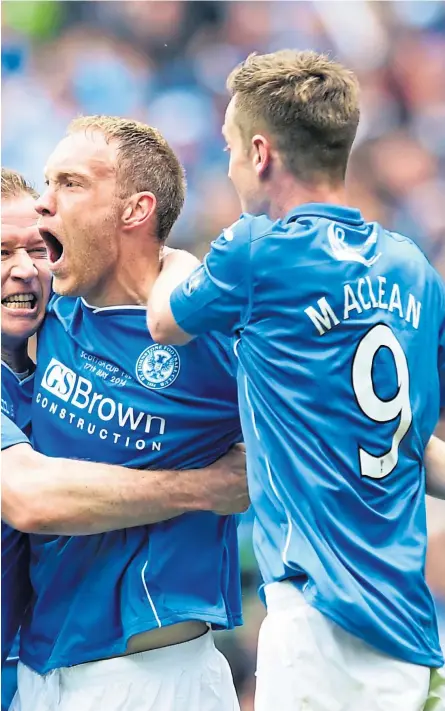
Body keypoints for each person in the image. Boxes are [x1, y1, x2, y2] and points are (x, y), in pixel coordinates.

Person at [147, 49, 445, 710]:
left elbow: (164, 320)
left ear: (260, 153)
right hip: (410, 630)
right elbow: (412, 440)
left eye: (226, 148)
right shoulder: (413, 271)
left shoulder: (257, 248)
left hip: (316, 619)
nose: (224, 166)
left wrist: (168, 259)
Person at [11, 116, 246, 711]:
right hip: (40, 672)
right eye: (46, 182)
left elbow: (354, 425)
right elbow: (33, 499)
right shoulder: (53, 319)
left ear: (135, 209)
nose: (45, 204)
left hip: (152, 677)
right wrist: (205, 487)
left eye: (69, 183)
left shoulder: (217, 339)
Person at [1, 168, 51, 711]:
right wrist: (205, 485)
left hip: (38, 675)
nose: (23, 270)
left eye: (38, 250)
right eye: (1, 252)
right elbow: (30, 498)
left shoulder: (65, 375)